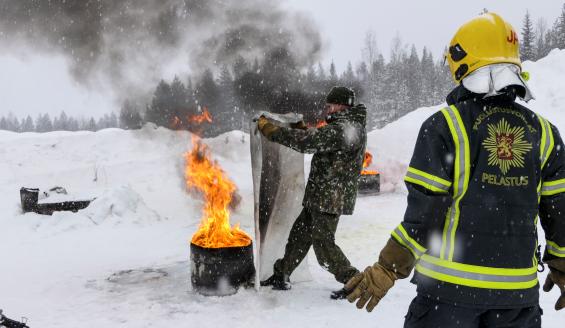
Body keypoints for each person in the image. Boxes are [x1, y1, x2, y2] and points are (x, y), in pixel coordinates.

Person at [345, 12, 565, 327]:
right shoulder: (545, 133)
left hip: (448, 299)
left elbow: (425, 217)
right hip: (517, 299)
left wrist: (388, 268)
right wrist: (561, 262)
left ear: (463, 65)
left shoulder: (444, 126)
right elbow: (560, 211)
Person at [257, 86, 366, 296]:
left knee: (324, 246)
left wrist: (272, 131)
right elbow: (319, 138)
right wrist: (302, 130)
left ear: (341, 105)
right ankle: (282, 273)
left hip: (330, 198)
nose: (328, 110)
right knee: (299, 235)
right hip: (321, 195)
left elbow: (310, 142)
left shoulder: (345, 128)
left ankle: (354, 281)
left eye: (330, 105)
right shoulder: (347, 126)